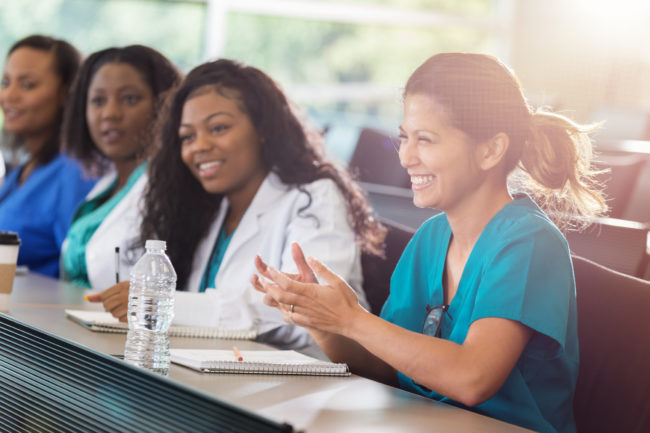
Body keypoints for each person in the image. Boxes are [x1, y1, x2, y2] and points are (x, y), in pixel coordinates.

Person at [252, 53, 607, 433]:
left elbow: (472, 378)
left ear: (490, 150)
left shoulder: (530, 243)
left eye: (426, 139)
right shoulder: (430, 240)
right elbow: (387, 366)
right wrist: (322, 321)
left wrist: (352, 319)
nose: (405, 156)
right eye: (405, 137)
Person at [87, 59, 385, 349]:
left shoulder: (314, 197)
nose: (199, 146)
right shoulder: (210, 206)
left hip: (306, 385)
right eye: (187, 137)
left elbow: (308, 312)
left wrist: (167, 304)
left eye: (218, 128)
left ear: (263, 129)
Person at [61, 45, 180, 289]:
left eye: (129, 99)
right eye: (98, 100)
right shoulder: (106, 186)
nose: (110, 113)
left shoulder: (171, 188)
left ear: (165, 106)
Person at [0, 35, 96, 277]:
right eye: (5, 82)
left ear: (66, 93)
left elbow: (78, 272)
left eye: (27, 85)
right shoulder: (24, 170)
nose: (9, 96)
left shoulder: (75, 171)